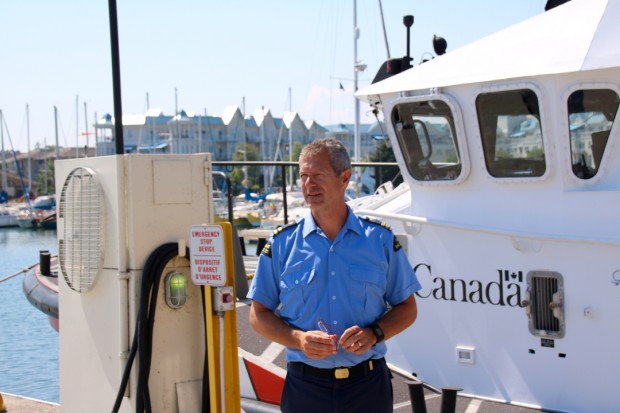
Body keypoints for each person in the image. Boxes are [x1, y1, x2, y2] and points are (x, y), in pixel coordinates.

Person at [248, 138, 421, 413]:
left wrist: (374, 333)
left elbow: (408, 308)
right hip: (306, 389)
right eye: (304, 176)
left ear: (345, 178)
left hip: (367, 388)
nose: (308, 185)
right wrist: (299, 340)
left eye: (318, 175)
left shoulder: (379, 240)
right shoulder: (282, 243)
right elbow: (258, 315)